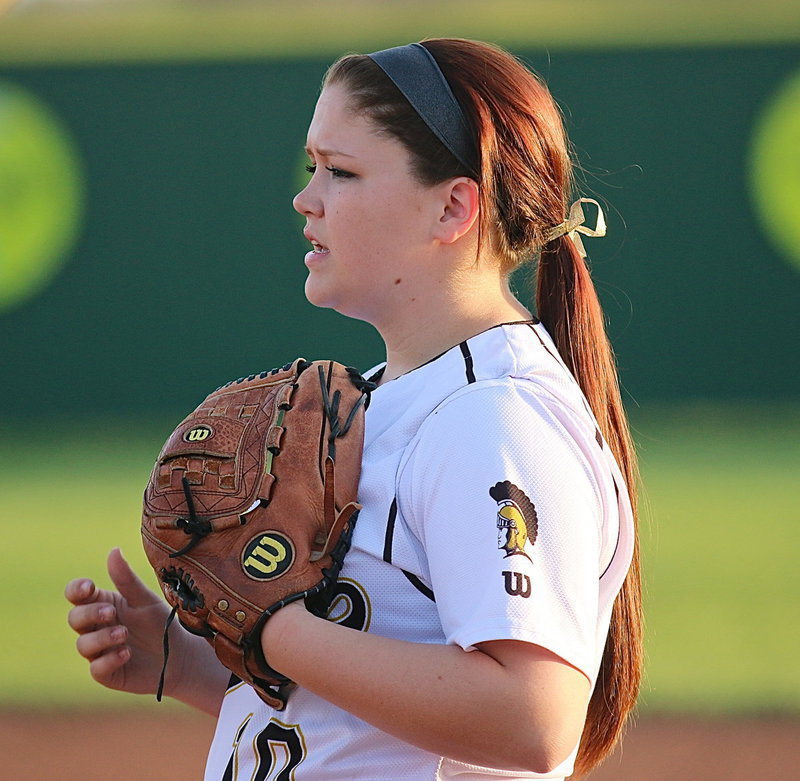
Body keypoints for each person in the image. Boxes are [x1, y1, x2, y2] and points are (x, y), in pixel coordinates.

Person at [65, 38, 643, 780]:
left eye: (340, 171)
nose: (306, 198)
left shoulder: (491, 420)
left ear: (452, 206)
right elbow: (353, 729)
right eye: (312, 167)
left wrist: (267, 628)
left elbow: (531, 719)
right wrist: (195, 664)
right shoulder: (387, 399)